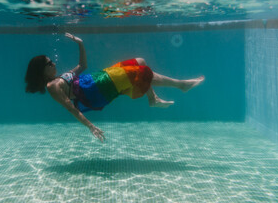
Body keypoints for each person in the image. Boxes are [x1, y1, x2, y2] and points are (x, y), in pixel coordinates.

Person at [25, 33, 204, 143]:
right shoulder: (52, 86)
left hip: (97, 79)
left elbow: (82, 65)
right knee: (140, 72)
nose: (53, 63)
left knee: (140, 62)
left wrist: (80, 43)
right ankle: (181, 85)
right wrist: (90, 126)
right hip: (96, 89)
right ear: (42, 70)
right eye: (49, 63)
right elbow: (70, 108)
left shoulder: (58, 78)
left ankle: (154, 98)